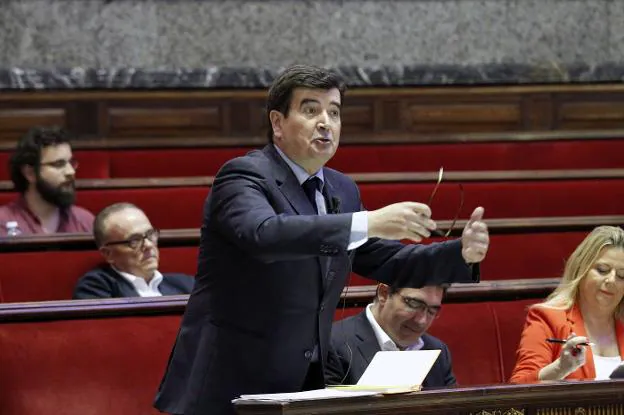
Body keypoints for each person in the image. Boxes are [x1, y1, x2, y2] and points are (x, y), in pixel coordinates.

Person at [154, 64, 490, 415]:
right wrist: (367, 221)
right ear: (278, 123)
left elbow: (387, 260)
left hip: (299, 384)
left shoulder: (342, 189)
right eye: (310, 110)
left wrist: (462, 254)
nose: (325, 122)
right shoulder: (244, 175)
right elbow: (264, 234)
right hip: (228, 381)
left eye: (334, 112)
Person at [510, 226, 624, 383]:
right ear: (581, 270)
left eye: (621, 275)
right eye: (602, 270)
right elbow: (519, 385)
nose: (612, 280)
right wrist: (560, 368)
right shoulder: (547, 318)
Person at [325, 283, 456, 388]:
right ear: (384, 294)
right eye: (414, 304)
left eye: (432, 311)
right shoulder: (331, 344)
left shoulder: (437, 350)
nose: (421, 321)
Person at [73, 203, 194, 299]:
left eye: (150, 234)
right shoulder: (95, 287)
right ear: (108, 254)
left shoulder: (187, 285)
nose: (148, 244)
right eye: (134, 240)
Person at [0, 126, 94, 236]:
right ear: (30, 173)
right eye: (58, 164)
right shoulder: (3, 223)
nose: (71, 172)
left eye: (71, 163)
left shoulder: (85, 222)